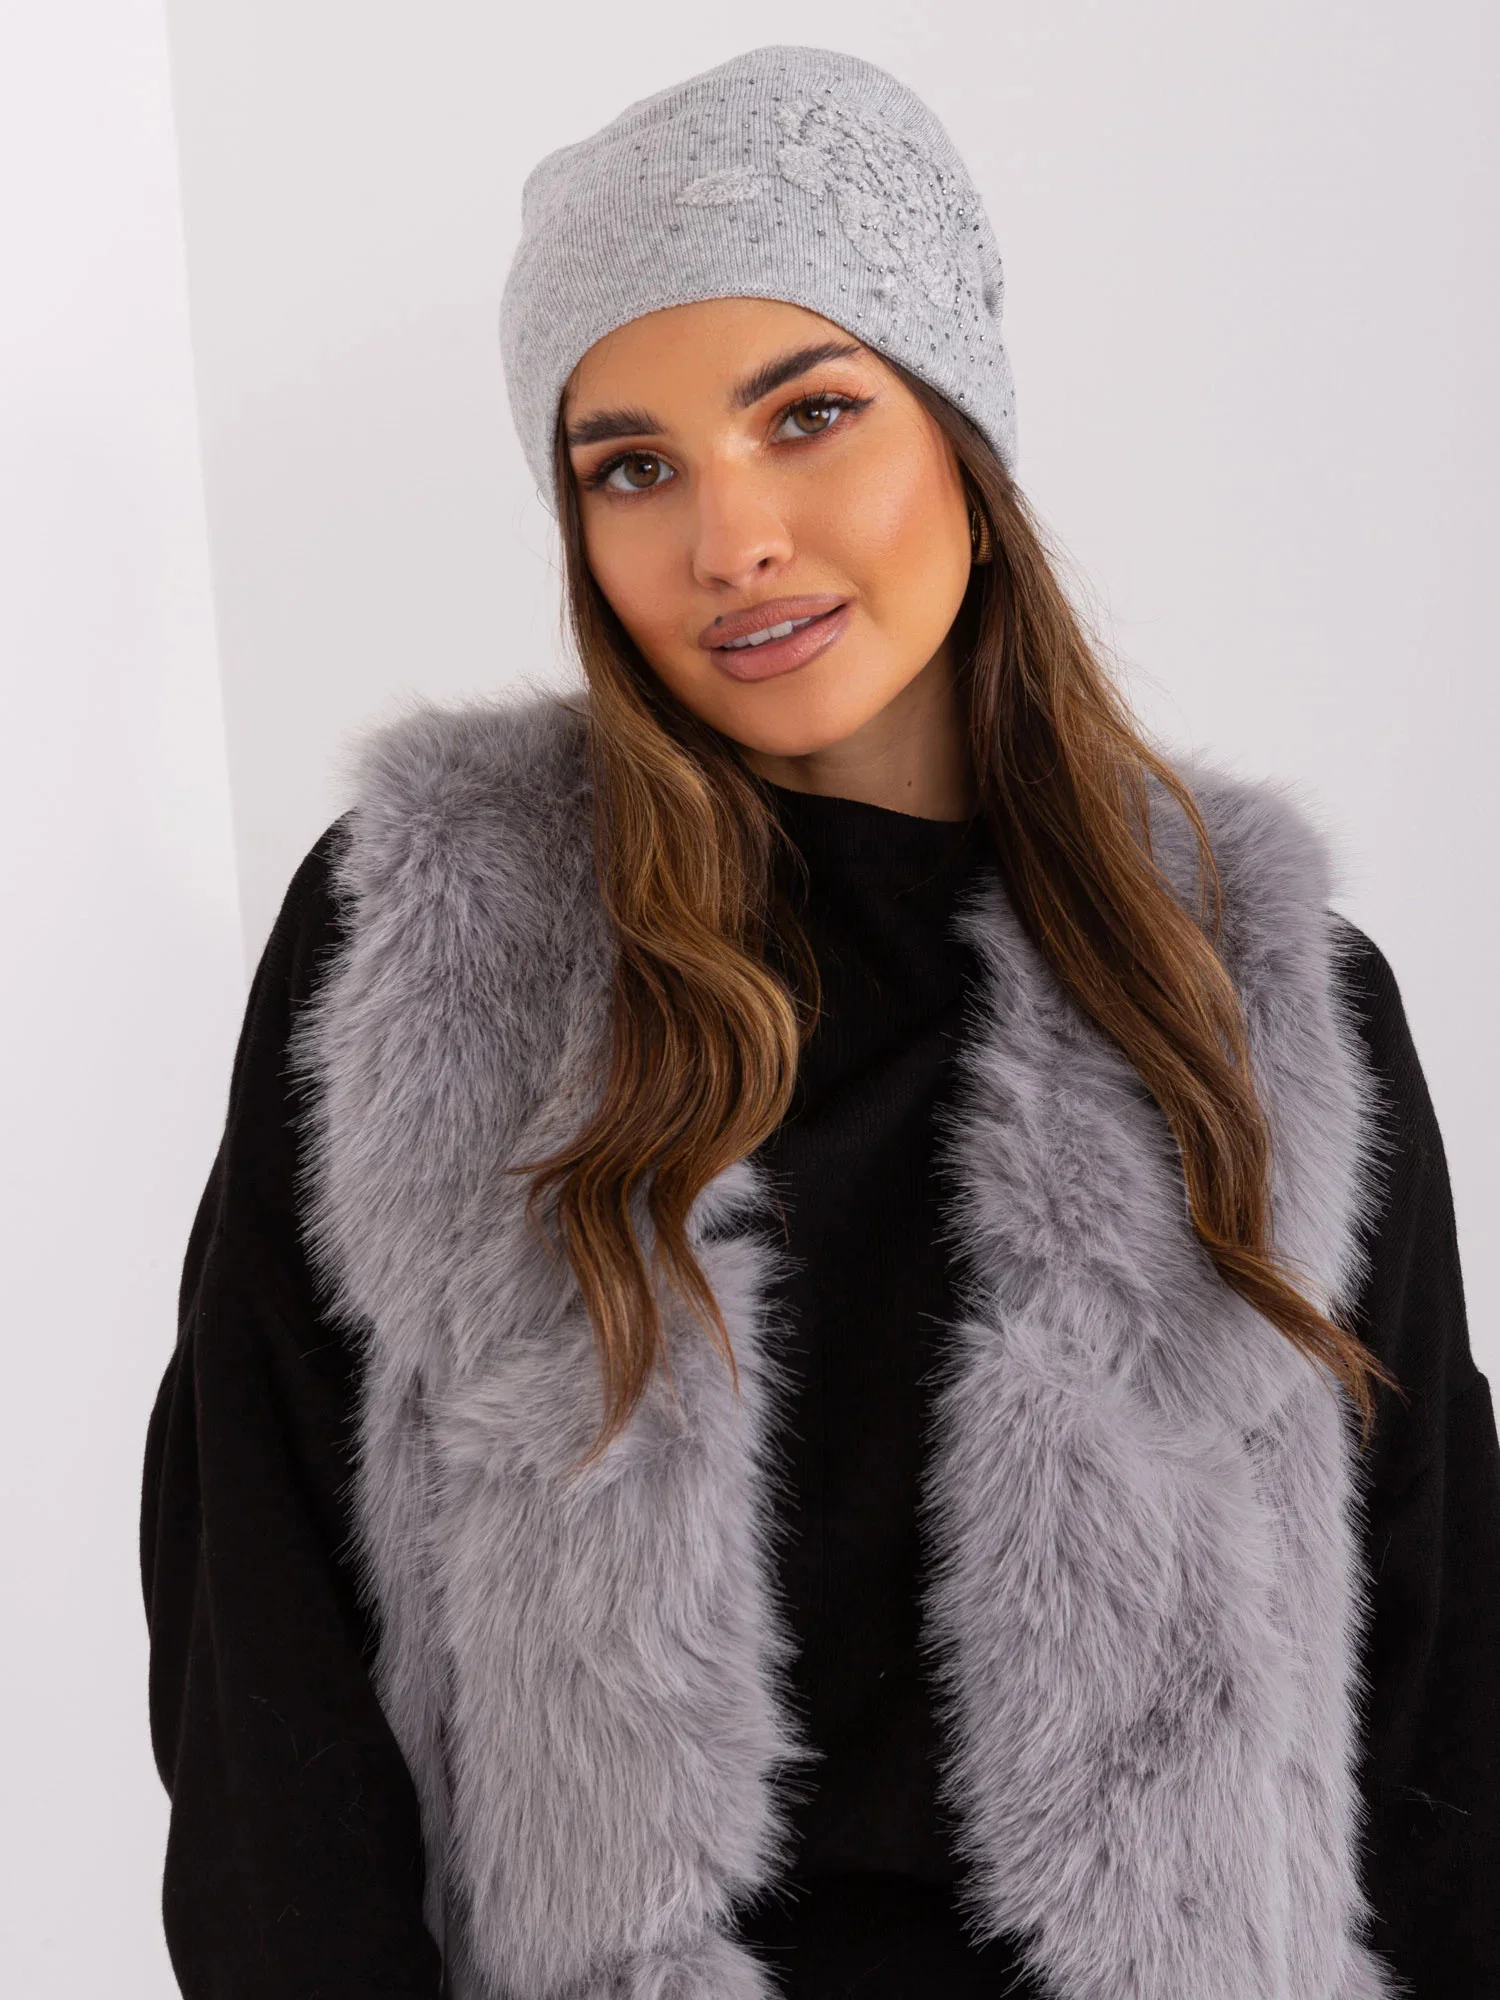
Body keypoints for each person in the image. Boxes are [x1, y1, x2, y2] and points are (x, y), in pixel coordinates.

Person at [141, 42, 1499, 2000]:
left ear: (964, 436)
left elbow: (1445, 1702)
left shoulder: (1271, 1002)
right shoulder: (434, 946)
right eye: (633, 467)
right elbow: (258, 1649)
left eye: (810, 414)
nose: (731, 539)